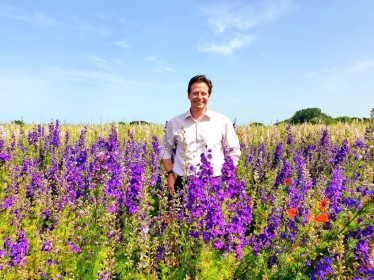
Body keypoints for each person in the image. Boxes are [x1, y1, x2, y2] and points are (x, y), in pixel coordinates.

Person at [159, 75, 241, 196]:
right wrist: (170, 173)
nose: (199, 97)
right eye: (195, 93)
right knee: (182, 215)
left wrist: (227, 176)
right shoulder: (175, 122)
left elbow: (233, 150)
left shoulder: (222, 121)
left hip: (214, 181)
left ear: (209, 96)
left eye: (203, 93)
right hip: (183, 181)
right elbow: (164, 149)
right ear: (188, 95)